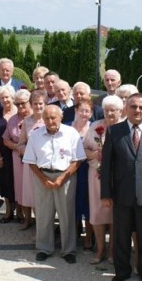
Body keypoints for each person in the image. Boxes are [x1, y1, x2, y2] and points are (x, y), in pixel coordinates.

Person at [100, 93, 142, 281]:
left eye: (141, 108)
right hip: (121, 195)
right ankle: (122, 271)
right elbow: (107, 166)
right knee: (121, 235)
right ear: (126, 108)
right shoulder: (114, 131)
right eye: (133, 106)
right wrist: (105, 193)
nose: (137, 110)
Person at [23, 105, 85, 264]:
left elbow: (77, 159)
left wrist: (62, 178)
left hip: (66, 176)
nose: (50, 121)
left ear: (61, 117)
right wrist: (43, 179)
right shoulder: (36, 135)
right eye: (47, 118)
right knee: (43, 214)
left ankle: (68, 250)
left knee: (67, 214)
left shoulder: (71, 133)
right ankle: (44, 248)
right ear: (42, 119)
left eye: (53, 118)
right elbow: (30, 161)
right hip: (42, 176)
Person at [83, 95, 124, 265]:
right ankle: (100, 249)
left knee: (116, 214)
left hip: (119, 177)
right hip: (96, 175)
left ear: (121, 111)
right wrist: (94, 154)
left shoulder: (125, 127)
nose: (108, 113)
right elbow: (84, 148)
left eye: (113, 110)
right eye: (106, 110)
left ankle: (113, 251)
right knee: (98, 212)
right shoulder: (95, 126)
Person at [17, 89, 47, 230]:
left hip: (46, 165)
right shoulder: (27, 121)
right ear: (31, 105)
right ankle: (35, 225)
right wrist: (27, 151)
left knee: (43, 199)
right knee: (32, 197)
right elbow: (20, 143)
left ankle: (43, 228)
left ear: (45, 104)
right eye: (35, 103)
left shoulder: (50, 119)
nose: (38, 106)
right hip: (30, 166)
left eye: (41, 103)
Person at [67, 98, 93, 253]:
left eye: (87, 111)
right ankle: (73, 235)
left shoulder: (94, 128)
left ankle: (89, 238)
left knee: (88, 204)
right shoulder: (67, 126)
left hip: (88, 170)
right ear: (75, 110)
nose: (84, 113)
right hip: (69, 169)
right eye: (81, 110)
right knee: (71, 202)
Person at [3, 89, 32, 224]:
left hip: (34, 159)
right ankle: (25, 218)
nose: (20, 106)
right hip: (18, 158)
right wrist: (17, 147)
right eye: (18, 104)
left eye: (23, 103)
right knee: (21, 187)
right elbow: (5, 139)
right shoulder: (13, 119)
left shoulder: (36, 117)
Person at [0, 85, 17, 223]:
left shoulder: (20, 112)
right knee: (6, 182)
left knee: (18, 182)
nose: (5, 100)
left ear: (13, 97)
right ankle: (8, 211)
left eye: (8, 97)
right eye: (2, 97)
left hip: (18, 154)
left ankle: (22, 213)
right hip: (4, 154)